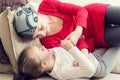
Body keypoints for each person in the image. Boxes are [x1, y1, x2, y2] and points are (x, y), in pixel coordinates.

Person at [13, 0, 120, 56]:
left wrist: (77, 32)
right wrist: (84, 51)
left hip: (95, 14)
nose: (42, 34)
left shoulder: (47, 4)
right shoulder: (47, 43)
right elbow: (75, 44)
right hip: (97, 37)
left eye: (40, 28)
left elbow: (81, 11)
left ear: (37, 14)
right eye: (36, 36)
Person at [15, 39, 120, 80]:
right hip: (100, 67)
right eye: (40, 50)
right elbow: (90, 70)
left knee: (111, 37)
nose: (42, 47)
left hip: (92, 55)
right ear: (44, 64)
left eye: (39, 47)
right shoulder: (61, 72)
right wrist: (71, 49)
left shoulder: (51, 52)